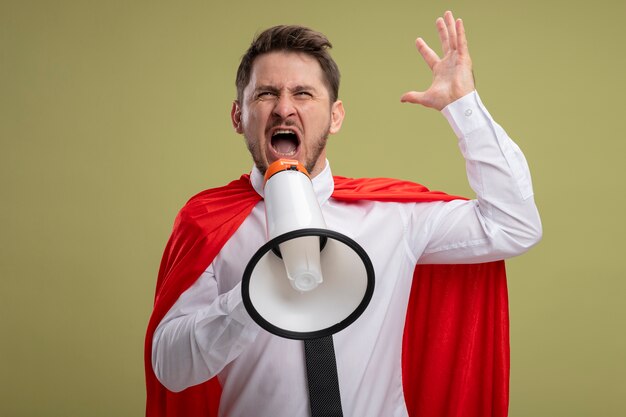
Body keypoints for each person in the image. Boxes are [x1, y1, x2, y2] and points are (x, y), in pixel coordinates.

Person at [145, 10, 542, 417]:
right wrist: (250, 299)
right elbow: (171, 369)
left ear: (335, 116)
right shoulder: (207, 222)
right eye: (265, 94)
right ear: (238, 117)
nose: (284, 109)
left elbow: (513, 225)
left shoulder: (394, 216)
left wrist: (465, 108)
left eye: (303, 93)